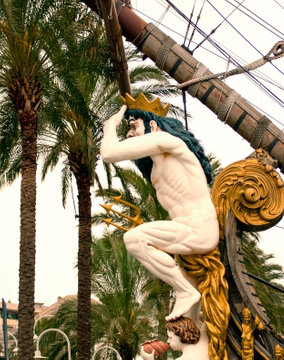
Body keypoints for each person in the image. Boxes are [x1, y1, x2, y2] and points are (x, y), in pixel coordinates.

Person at [100, 97, 220, 321]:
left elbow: (108, 153)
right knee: (189, 327)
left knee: (134, 239)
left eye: (134, 126)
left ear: (153, 125)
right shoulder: (156, 171)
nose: (128, 134)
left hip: (199, 229)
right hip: (184, 236)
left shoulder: (170, 142)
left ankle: (184, 290)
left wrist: (109, 126)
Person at [140, 317, 210, 360]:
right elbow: (207, 319)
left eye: (170, 337)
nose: (168, 341)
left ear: (181, 334)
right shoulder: (204, 339)